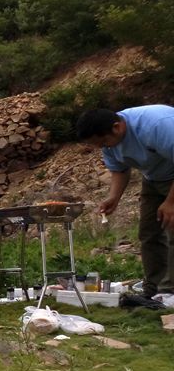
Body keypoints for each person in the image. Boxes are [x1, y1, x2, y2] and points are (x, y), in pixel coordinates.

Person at [77, 106, 174, 299]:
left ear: (117, 127)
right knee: (148, 232)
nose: (105, 147)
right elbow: (119, 170)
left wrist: (171, 202)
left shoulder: (157, 125)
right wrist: (114, 197)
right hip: (154, 178)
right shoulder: (108, 142)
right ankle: (156, 290)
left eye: (104, 142)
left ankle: (171, 289)